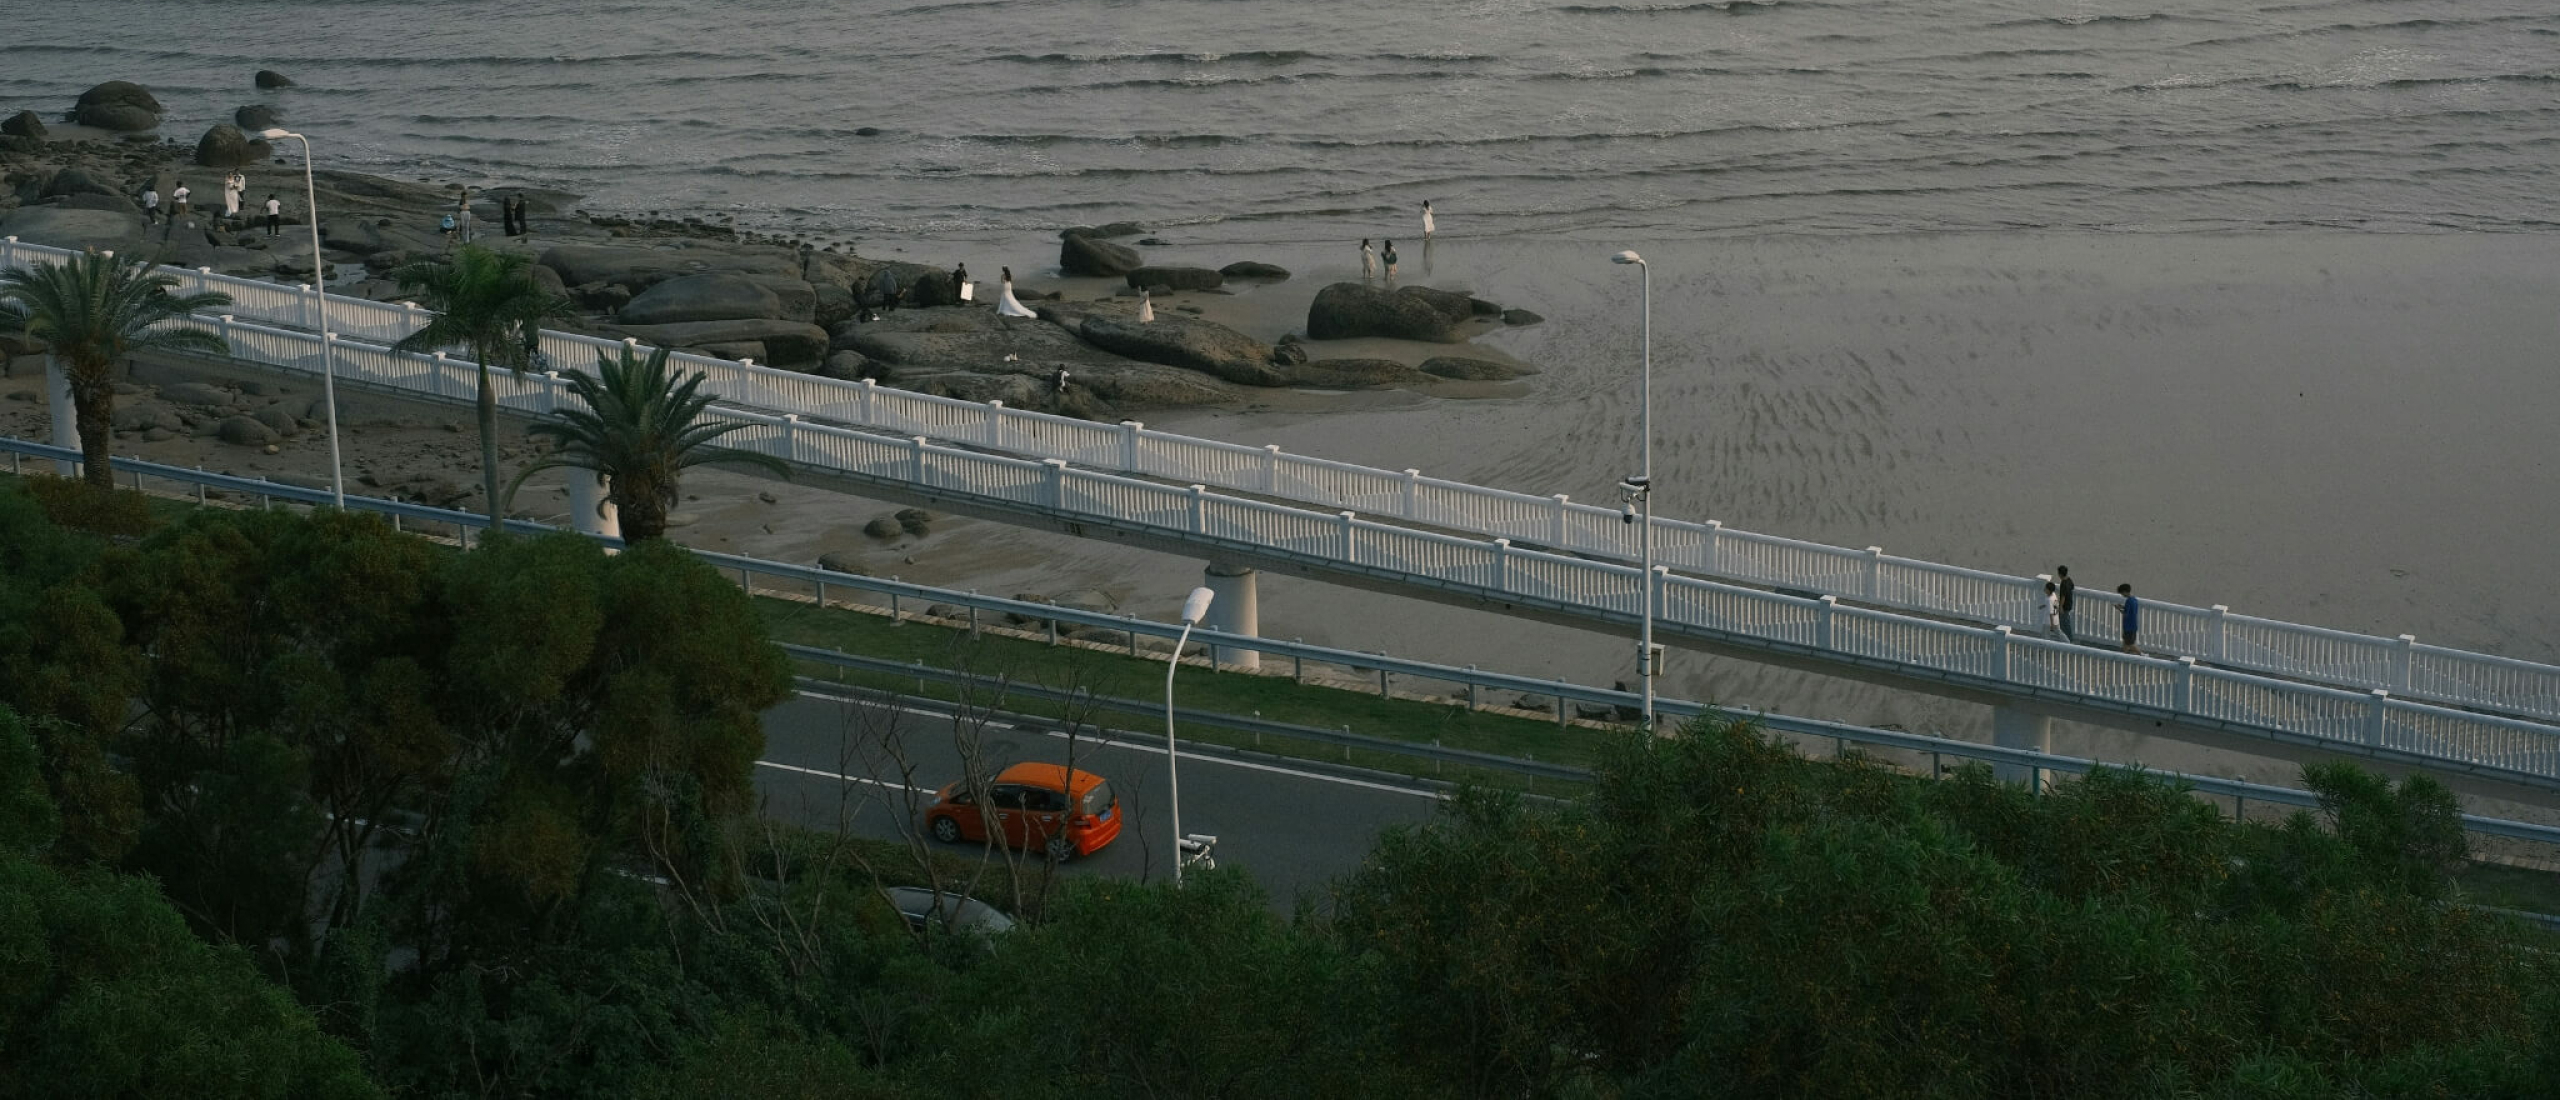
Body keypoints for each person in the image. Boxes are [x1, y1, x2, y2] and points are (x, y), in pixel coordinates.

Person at [2118, 583, 2142, 654]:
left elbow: (2126, 614)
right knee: (2126, 642)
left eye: (2122, 593)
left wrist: (2118, 609)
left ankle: (2141, 654)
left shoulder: (2128, 601)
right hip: (2133, 625)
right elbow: (2131, 610)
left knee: (2129, 644)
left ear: (2125, 591)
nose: (2122, 595)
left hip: (2128, 626)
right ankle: (2123, 655)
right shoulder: (2134, 599)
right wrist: (2122, 606)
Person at [2055, 565, 2076, 641]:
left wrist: (2060, 607)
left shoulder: (2063, 583)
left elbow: (2063, 596)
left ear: (2060, 574)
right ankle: (2068, 639)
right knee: (2066, 623)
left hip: (2064, 607)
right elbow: (2072, 587)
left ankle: (2068, 639)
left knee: (2064, 624)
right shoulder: (2069, 580)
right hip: (2069, 605)